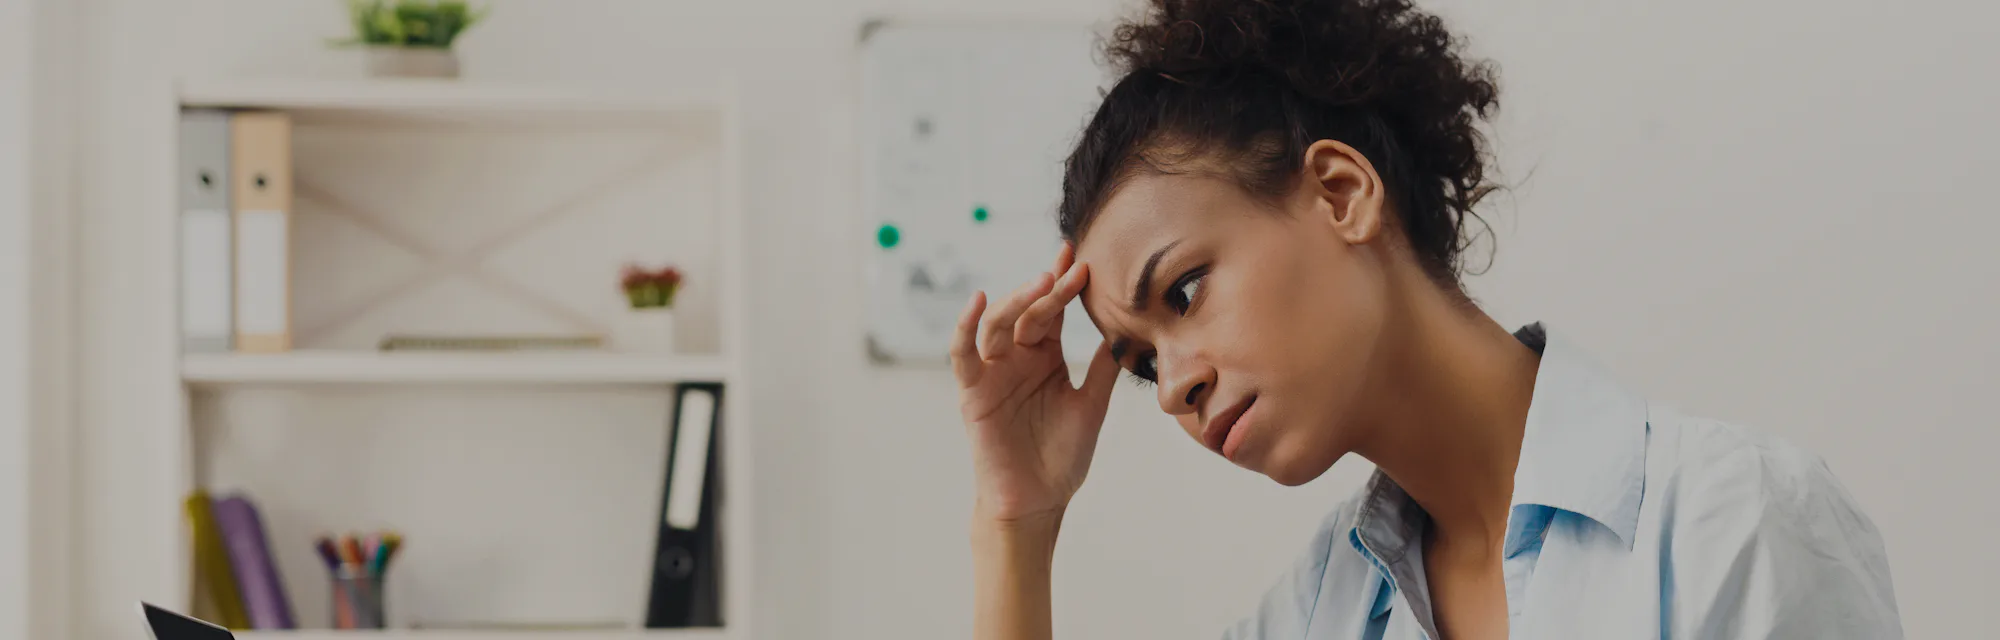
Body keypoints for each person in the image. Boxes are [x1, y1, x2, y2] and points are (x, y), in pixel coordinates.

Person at [946, 0, 1903, 638]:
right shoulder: (1326, 609)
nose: (1176, 386)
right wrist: (1016, 523)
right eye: (1145, 362)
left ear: (1339, 192)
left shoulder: (1728, 522)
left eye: (1185, 293)